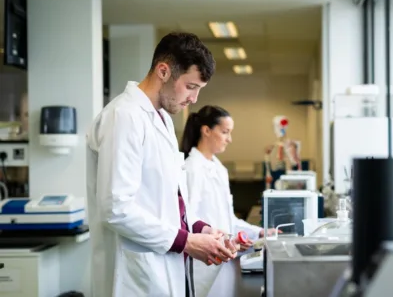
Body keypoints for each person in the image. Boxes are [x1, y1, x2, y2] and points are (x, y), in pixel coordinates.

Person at [86, 32, 238, 297]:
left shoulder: (163, 120)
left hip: (163, 268)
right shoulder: (124, 116)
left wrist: (200, 228)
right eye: (191, 87)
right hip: (133, 276)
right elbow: (116, 208)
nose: (194, 99)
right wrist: (187, 241)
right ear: (163, 71)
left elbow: (167, 199)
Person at [181, 105, 278, 297]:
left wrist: (259, 232)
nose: (229, 139)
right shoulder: (191, 169)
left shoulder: (219, 169)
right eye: (225, 132)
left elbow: (228, 219)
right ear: (206, 130)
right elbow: (187, 221)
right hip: (202, 262)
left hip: (223, 258)